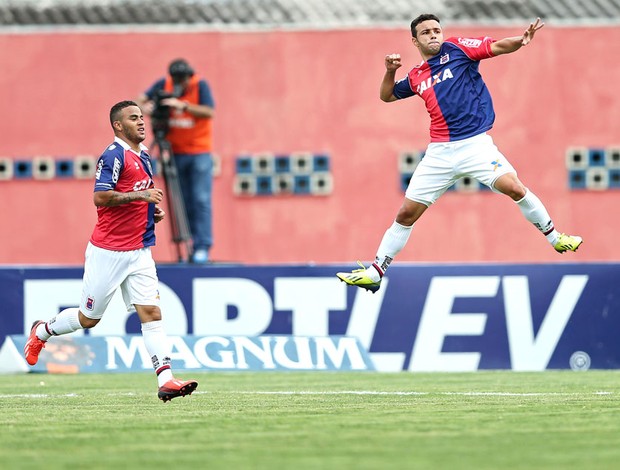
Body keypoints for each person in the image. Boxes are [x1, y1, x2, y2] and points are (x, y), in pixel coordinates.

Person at [337, 15, 582, 293]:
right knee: (406, 214)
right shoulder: (417, 75)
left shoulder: (457, 49)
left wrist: (521, 41)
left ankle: (555, 237)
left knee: (513, 187)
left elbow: (497, 46)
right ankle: (376, 271)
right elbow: (387, 96)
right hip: (439, 153)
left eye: (437, 30)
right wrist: (390, 70)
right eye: (426, 32)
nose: (433, 35)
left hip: (475, 145)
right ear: (415, 41)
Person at [24, 101, 198, 402]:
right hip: (109, 251)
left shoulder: (144, 156)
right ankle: (42, 331)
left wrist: (149, 211)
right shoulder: (113, 155)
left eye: (142, 117)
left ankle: (166, 380)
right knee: (88, 319)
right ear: (118, 125)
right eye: (133, 118)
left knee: (152, 312)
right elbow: (101, 197)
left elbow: (133, 197)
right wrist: (141, 195)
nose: (141, 122)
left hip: (141, 250)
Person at [136, 58, 215, 264]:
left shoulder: (200, 85)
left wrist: (183, 106)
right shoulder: (164, 85)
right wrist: (149, 107)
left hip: (199, 152)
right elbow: (139, 100)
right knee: (183, 200)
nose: (181, 83)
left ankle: (202, 246)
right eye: (177, 79)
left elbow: (208, 111)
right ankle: (186, 246)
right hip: (175, 152)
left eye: (184, 79)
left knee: (200, 199)